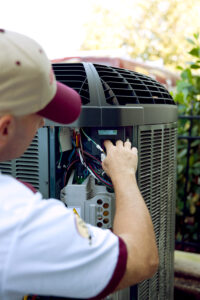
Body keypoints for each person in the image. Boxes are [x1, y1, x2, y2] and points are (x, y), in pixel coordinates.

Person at [0, 29, 159, 300]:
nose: (43, 123)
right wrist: (124, 176)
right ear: (5, 128)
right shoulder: (15, 218)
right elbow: (142, 259)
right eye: (39, 113)